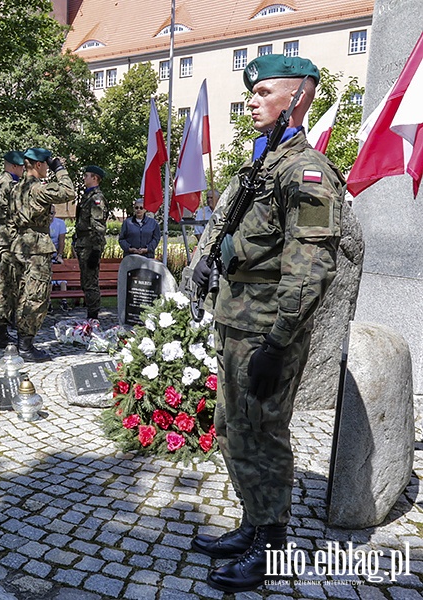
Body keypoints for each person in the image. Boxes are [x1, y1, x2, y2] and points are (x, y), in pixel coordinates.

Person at [190, 54, 343, 593]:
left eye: (264, 93)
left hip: (267, 330)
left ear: (297, 98)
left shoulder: (307, 172)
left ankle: (272, 546)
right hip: (238, 321)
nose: (252, 102)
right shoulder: (264, 161)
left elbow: (311, 268)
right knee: (234, 430)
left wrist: (277, 344)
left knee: (263, 432)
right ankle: (254, 522)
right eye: (251, 94)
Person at [9, 147, 75, 361]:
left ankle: (22, 342)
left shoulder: (17, 187)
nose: (48, 168)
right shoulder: (37, 188)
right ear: (38, 165)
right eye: (46, 164)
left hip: (20, 245)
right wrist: (61, 169)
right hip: (36, 247)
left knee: (22, 294)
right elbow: (68, 192)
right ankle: (26, 346)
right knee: (36, 296)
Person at [0, 150, 24, 348]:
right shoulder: (9, 185)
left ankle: (1, 331)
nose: (21, 171)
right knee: (5, 286)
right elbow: (15, 212)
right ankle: (1, 333)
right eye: (20, 167)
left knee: (1, 285)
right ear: (13, 166)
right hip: (8, 238)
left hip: (0, 236)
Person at [75, 165, 109, 319]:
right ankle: (91, 314)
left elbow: (98, 225)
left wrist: (96, 249)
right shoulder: (87, 196)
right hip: (84, 243)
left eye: (86, 175)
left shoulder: (96, 198)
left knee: (90, 283)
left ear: (95, 178)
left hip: (90, 244)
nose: (84, 178)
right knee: (86, 281)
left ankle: (93, 317)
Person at [48, 205, 69, 312]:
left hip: (56, 254)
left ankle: (64, 301)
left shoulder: (60, 223)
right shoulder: (41, 223)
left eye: (52, 213)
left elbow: (61, 241)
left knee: (62, 279)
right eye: (48, 213)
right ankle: (49, 302)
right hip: (45, 255)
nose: (50, 215)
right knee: (49, 280)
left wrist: (59, 255)